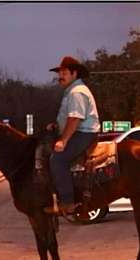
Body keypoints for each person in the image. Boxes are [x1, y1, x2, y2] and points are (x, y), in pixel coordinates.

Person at [44, 56, 100, 215]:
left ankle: (67, 202)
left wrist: (63, 140)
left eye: (64, 72)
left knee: (57, 160)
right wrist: (56, 125)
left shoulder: (77, 92)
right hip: (80, 132)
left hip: (84, 133)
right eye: (59, 73)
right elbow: (69, 118)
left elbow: (75, 118)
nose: (60, 76)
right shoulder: (71, 91)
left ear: (74, 73)